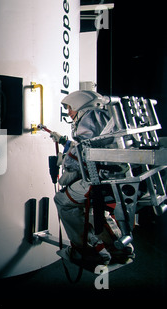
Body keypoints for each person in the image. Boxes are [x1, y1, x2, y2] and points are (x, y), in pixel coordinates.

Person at [51, 90, 133, 265]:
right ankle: (119, 250)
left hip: (101, 179)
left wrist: (64, 161)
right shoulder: (103, 116)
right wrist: (64, 142)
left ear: (80, 105)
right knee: (97, 209)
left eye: (70, 108)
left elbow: (81, 154)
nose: (69, 113)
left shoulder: (90, 118)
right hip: (115, 176)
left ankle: (85, 250)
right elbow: (91, 145)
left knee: (62, 201)